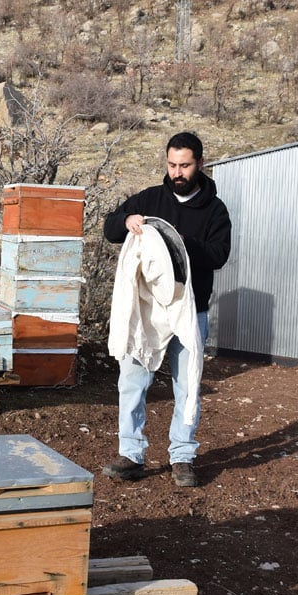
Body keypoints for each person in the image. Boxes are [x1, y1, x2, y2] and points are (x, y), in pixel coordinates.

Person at [101, 131, 232, 487]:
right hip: (147, 311)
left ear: (200, 164)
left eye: (185, 165)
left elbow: (219, 254)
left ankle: (183, 457)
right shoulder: (150, 199)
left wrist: (178, 243)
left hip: (190, 310)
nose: (177, 172)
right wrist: (127, 221)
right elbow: (110, 228)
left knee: (187, 385)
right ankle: (131, 454)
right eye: (172, 164)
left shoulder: (215, 210)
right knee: (132, 380)